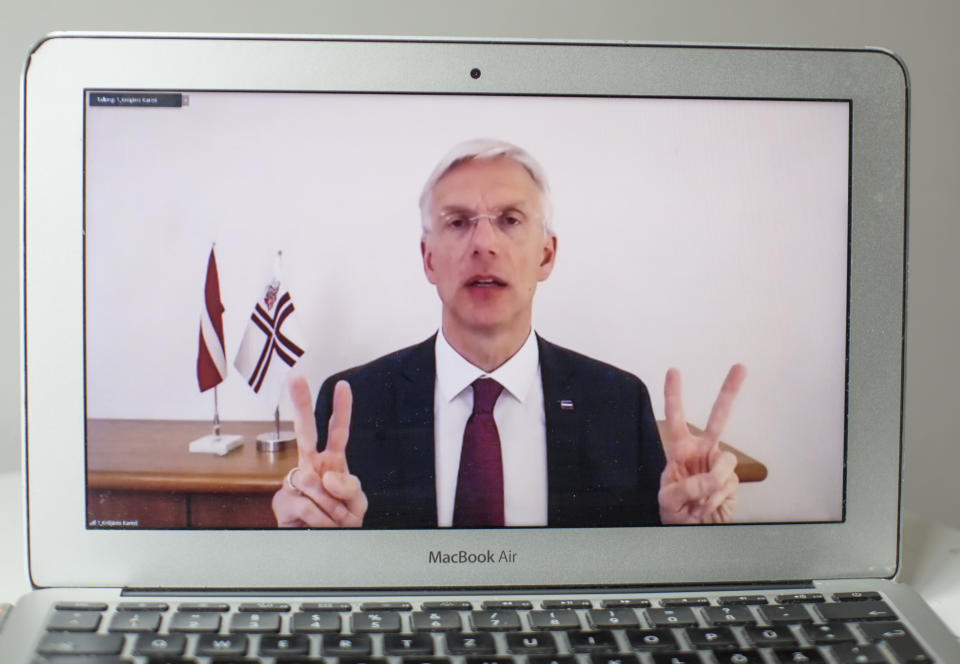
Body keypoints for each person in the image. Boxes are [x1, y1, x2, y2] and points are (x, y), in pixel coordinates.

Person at [272, 138, 745, 528]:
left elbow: (636, 577)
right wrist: (311, 535)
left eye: (510, 220)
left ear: (546, 255)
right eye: (457, 223)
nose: (483, 244)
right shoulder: (354, 403)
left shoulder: (618, 403)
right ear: (428, 259)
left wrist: (682, 530)